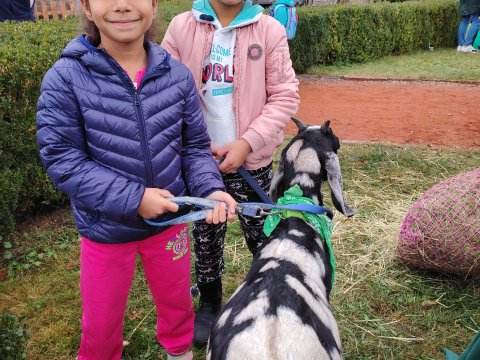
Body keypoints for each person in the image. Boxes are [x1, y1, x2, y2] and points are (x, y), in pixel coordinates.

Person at [36, 0, 237, 359]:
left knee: (178, 311)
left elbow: (193, 147)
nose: (123, 5)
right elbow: (62, 158)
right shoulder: (65, 78)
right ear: (86, 6)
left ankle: (180, 352)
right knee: (100, 327)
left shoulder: (176, 76)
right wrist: (133, 198)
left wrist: (211, 189)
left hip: (170, 225)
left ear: (154, 4)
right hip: (105, 230)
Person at [162, 0, 300, 348]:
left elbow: (284, 95)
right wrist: (190, 143)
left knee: (260, 232)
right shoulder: (181, 27)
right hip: (198, 161)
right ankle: (210, 300)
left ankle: (267, 294)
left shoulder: (269, 30)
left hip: (250, 161)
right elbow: (163, 92)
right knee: (206, 236)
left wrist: (247, 143)